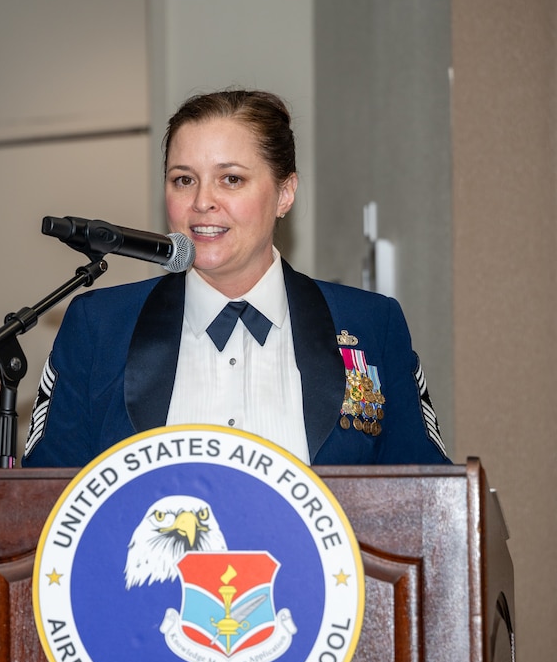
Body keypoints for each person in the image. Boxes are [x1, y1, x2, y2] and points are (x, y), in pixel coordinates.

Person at [23, 89, 450, 468]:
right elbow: (43, 497)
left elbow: (426, 498)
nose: (202, 202)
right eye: (183, 179)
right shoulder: (99, 324)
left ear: (285, 193)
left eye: (231, 179)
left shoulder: (371, 323)